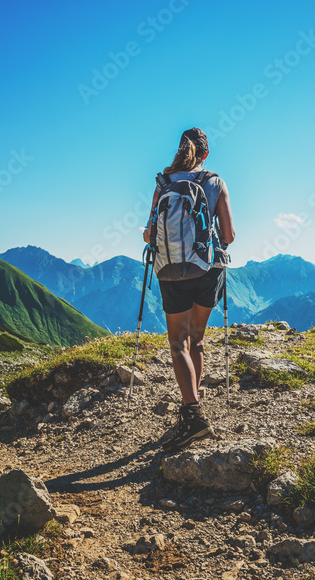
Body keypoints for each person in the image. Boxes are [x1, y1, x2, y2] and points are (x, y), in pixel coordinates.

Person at [143, 127, 235, 454]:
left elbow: (151, 233)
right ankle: (193, 409)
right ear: (205, 153)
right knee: (196, 339)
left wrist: (148, 234)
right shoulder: (215, 182)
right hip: (209, 269)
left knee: (176, 342)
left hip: (171, 271)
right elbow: (229, 234)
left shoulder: (164, 183)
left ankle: (192, 412)